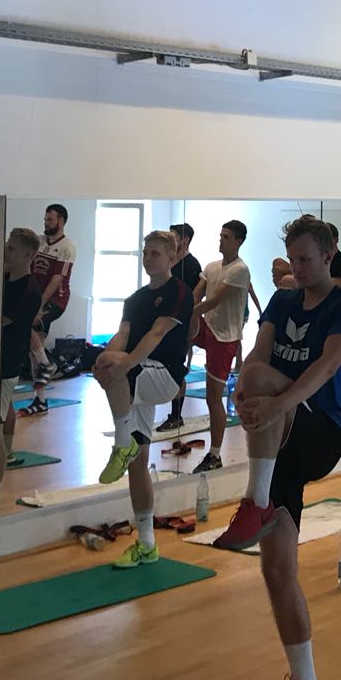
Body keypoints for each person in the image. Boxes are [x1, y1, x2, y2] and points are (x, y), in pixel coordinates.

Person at [213, 216, 341, 680]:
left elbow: (328, 366)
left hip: (321, 431)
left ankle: (255, 503)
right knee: (277, 571)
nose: (297, 268)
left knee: (260, 377)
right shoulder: (282, 302)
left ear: (329, 256)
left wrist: (276, 400)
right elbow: (258, 353)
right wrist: (244, 394)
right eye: (292, 259)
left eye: (306, 259)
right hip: (280, 443)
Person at [94, 230, 194, 568]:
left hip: (165, 376)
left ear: (171, 258)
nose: (148, 258)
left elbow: (157, 333)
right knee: (139, 465)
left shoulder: (179, 291)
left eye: (155, 253)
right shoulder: (135, 299)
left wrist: (121, 365)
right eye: (145, 253)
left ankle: (122, 442)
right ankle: (147, 544)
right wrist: (106, 361)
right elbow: (122, 335)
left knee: (116, 366)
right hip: (140, 374)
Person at [189, 220, 252, 474]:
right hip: (208, 327)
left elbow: (214, 301)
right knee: (181, 332)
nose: (221, 240)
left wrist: (187, 313)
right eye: (220, 235)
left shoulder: (240, 270)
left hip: (224, 338)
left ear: (238, 241)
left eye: (226, 237)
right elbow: (197, 295)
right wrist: (182, 311)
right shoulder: (212, 266)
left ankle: (215, 454)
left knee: (212, 397)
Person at [21, 203, 75, 416]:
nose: (46, 223)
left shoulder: (67, 247)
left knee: (26, 323)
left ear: (61, 221)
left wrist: (39, 305)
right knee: (35, 350)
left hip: (56, 300)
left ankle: (48, 364)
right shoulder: (39, 242)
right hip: (36, 297)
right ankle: (41, 400)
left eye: (50, 220)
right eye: (45, 220)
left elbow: (56, 280)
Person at [0, 227, 43, 473]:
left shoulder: (28, 291)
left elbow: (0, 321)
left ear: (28, 255)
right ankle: (5, 452)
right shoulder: (6, 278)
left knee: (1, 408)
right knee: (2, 405)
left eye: (12, 248)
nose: (6, 251)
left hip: (9, 358)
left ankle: (5, 453)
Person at [157, 222, 205, 433]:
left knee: (176, 368)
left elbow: (194, 298)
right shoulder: (169, 262)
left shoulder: (192, 265)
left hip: (181, 324)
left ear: (185, 240)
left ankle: (176, 415)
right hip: (163, 321)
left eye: (174, 237)